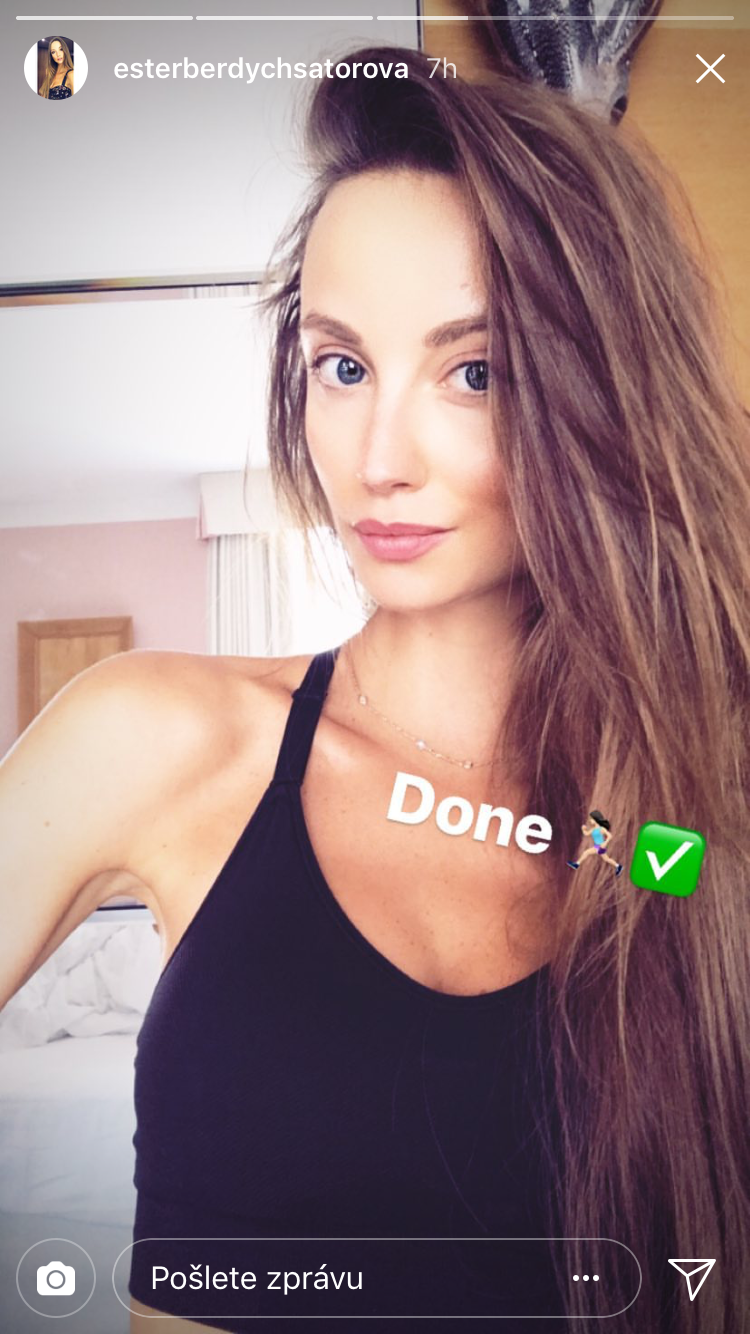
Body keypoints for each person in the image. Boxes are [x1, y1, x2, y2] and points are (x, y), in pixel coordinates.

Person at [1, 43, 748, 1334]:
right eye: (341, 366)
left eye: (476, 370)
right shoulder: (157, 735)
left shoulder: (686, 819)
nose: (376, 458)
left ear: (604, 390)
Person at [567, 810, 623, 874]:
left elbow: (610, 836)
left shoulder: (601, 829)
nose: (590, 821)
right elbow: (586, 834)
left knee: (586, 852)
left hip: (600, 847)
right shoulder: (593, 829)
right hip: (597, 846)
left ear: (595, 819)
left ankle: (577, 864)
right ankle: (618, 866)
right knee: (607, 859)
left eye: (591, 819)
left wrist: (605, 843)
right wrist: (583, 829)